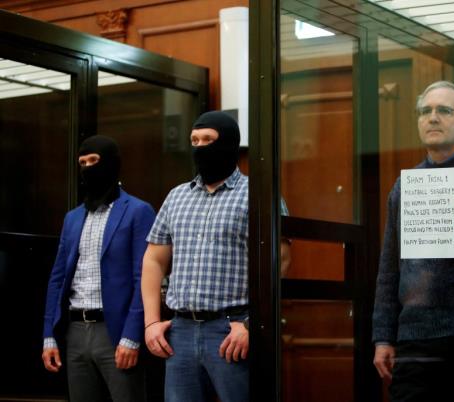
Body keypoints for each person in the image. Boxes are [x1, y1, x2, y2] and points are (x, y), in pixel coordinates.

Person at [142, 111, 291, 402]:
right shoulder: (176, 196)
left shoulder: (259, 193)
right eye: (194, 140)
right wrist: (151, 322)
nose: (199, 146)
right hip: (180, 332)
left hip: (232, 331)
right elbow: (153, 260)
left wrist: (251, 324)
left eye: (208, 139)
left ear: (230, 144)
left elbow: (281, 261)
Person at [372, 81, 454, 401]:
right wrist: (383, 337)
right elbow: (390, 268)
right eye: (425, 111)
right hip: (416, 336)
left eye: (444, 110)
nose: (432, 118)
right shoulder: (405, 185)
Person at [41, 135, 155, 402]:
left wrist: (131, 335)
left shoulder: (139, 211)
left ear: (112, 164)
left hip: (115, 331)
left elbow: (145, 278)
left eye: (94, 160)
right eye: (82, 162)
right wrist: (49, 335)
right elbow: (57, 279)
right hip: (75, 331)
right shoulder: (73, 217)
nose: (88, 167)